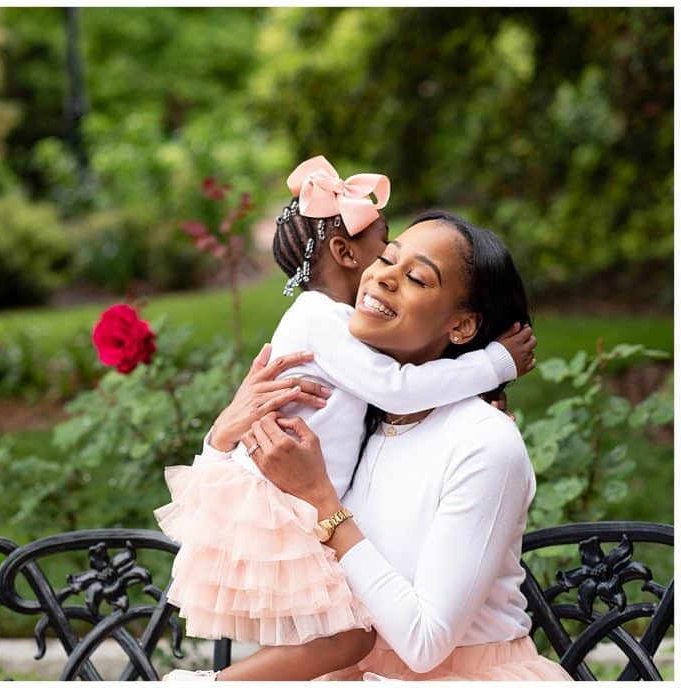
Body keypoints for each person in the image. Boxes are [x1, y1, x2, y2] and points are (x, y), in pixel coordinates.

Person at [156, 158, 539, 680]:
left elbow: (425, 646)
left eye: (415, 277)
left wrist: (323, 504)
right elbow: (219, 537)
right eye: (386, 257)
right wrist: (225, 434)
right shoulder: (367, 421)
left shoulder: (482, 442)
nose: (381, 277)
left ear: (462, 324)